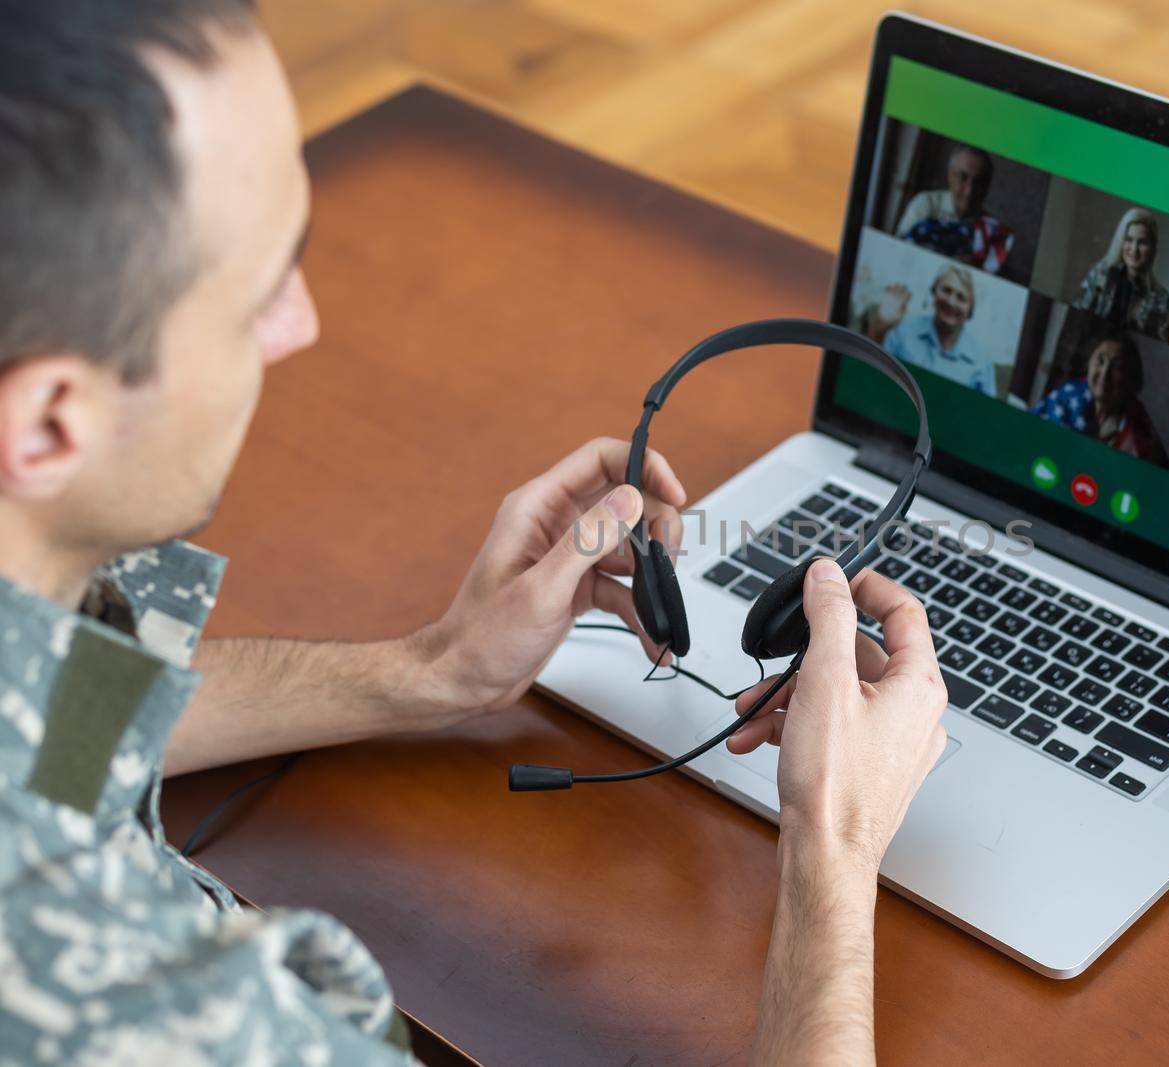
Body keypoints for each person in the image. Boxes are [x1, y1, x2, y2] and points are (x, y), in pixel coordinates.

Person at [0, 4, 948, 1063]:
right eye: (257, 291)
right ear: (47, 422)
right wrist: (832, 844)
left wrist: (434, 668)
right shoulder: (152, 1017)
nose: (301, 322)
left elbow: (54, 724)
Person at [1031, 331, 1169, 467]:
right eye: (1100, 360)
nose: (1105, 373)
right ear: (1089, 363)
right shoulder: (1067, 396)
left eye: (1117, 366)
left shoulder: (1141, 430)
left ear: (1130, 377)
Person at [865, 265, 995, 396]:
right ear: (934, 292)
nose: (951, 301)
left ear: (969, 311)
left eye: (961, 298)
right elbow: (869, 377)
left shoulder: (982, 362)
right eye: (946, 290)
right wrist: (879, 328)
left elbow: (989, 414)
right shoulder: (901, 328)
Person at [894, 143, 1015, 274]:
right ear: (950, 175)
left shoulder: (990, 229)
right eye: (963, 177)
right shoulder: (925, 203)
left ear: (987, 187)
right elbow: (898, 253)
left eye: (979, 182)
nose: (969, 191)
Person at [1069, 206, 1169, 342]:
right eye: (1129, 240)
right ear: (1121, 241)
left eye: (1142, 243)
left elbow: (1162, 347)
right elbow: (1076, 317)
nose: (1134, 249)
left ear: (1153, 247)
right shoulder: (1100, 274)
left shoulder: (1161, 298)